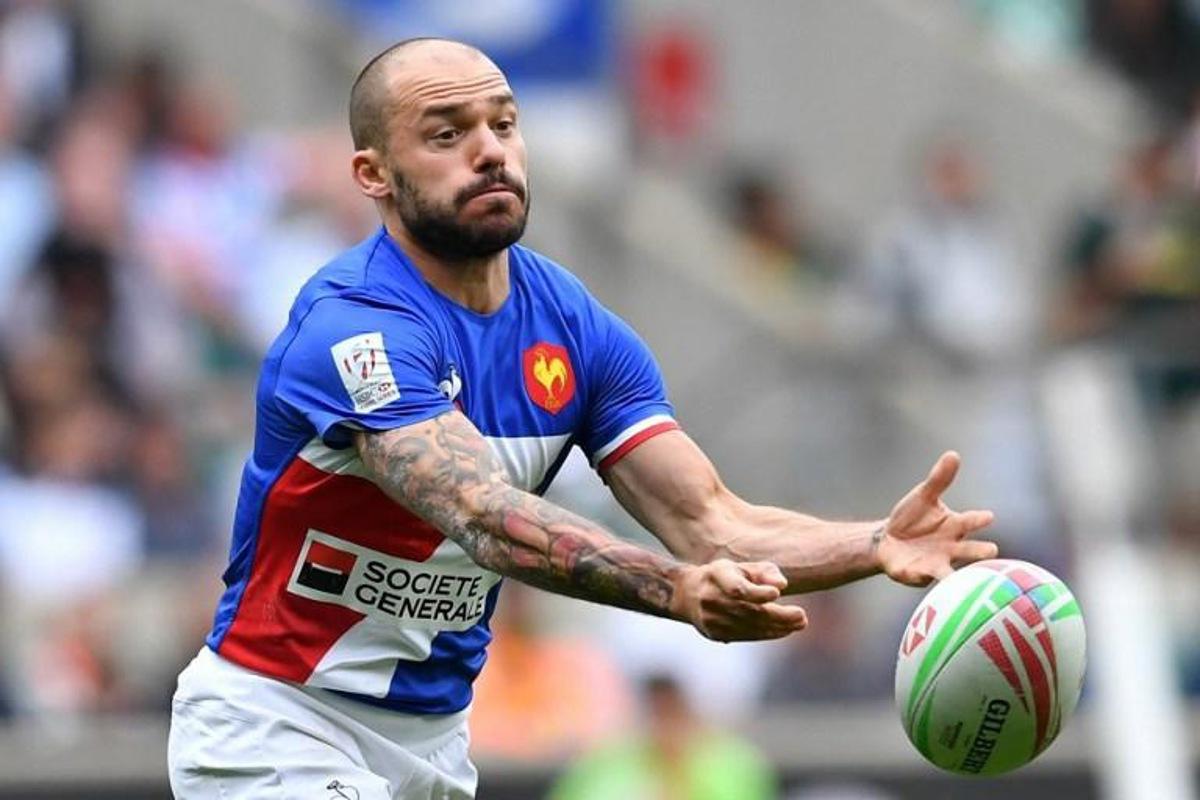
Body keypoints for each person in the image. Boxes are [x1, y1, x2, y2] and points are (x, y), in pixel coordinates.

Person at [167, 38, 997, 800]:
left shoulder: (576, 329)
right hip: (276, 725)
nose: (490, 148)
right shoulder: (352, 328)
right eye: (447, 133)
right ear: (373, 173)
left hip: (431, 750)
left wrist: (874, 545)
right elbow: (483, 518)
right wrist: (677, 592)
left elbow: (711, 523)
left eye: (503, 123)